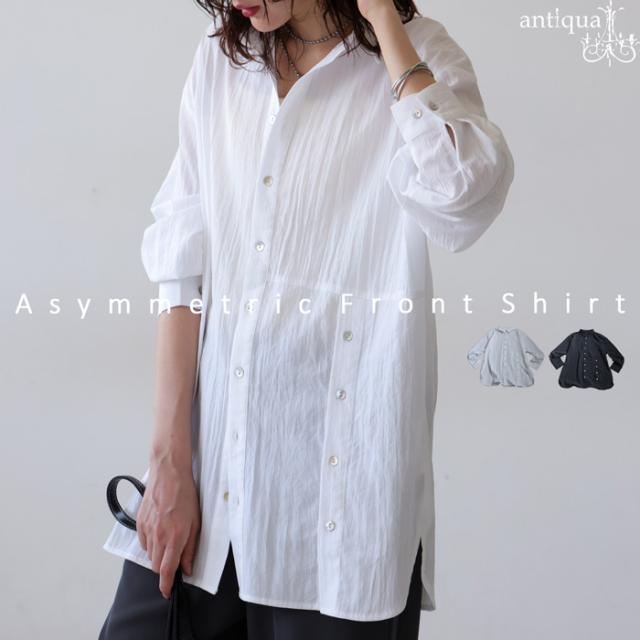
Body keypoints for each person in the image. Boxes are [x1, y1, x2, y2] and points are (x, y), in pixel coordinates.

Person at [99, 0, 514, 638]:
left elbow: (462, 197)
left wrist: (383, 22)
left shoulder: (419, 51)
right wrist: (168, 465)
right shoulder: (221, 59)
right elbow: (183, 269)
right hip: (209, 488)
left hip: (338, 510)